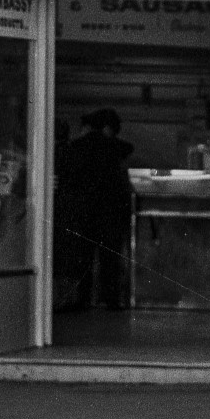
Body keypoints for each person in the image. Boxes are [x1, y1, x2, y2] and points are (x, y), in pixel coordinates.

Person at [58, 109, 136, 312]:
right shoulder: (113, 146)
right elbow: (128, 148)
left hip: (82, 211)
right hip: (109, 210)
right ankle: (110, 300)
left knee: (82, 256)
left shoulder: (77, 146)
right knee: (109, 257)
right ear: (107, 128)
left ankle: (81, 300)